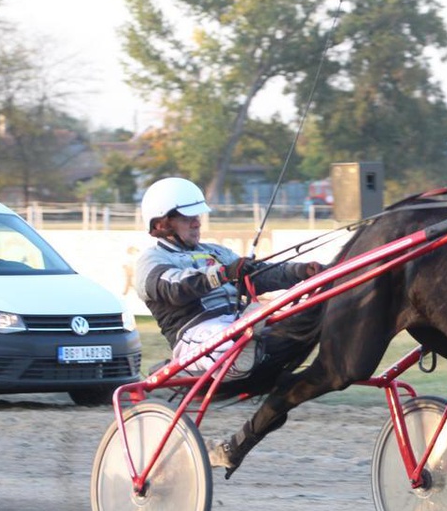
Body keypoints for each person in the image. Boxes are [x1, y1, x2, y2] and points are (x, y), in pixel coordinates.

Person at [134, 177, 323, 472]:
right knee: (250, 326)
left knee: (299, 314)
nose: (197, 222)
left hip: (238, 325)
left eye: (197, 215)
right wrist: (223, 274)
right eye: (187, 217)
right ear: (161, 225)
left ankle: (255, 334)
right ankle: (250, 335)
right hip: (195, 336)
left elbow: (260, 276)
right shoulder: (151, 260)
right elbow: (176, 288)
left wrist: (302, 271)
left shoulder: (217, 251)